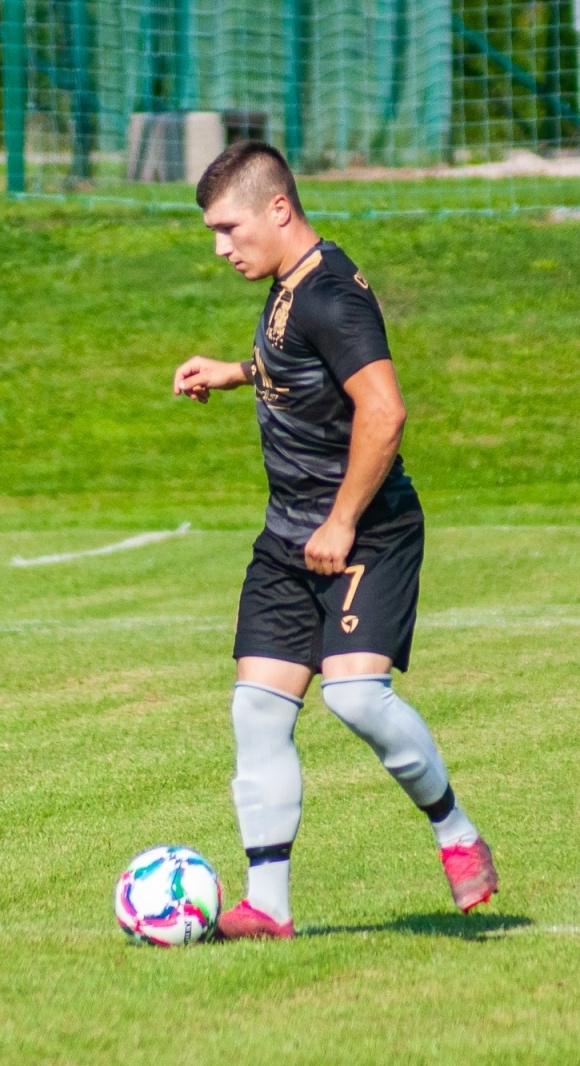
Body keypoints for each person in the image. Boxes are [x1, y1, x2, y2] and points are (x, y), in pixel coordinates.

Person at [171, 143, 497, 939]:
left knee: (355, 697)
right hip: (289, 536)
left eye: (228, 227)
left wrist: (343, 521)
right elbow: (297, 362)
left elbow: (383, 411)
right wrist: (236, 370)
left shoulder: (332, 295)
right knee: (256, 712)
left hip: (365, 532)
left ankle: (455, 833)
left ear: (278, 210)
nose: (220, 246)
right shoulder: (290, 285)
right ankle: (267, 907)